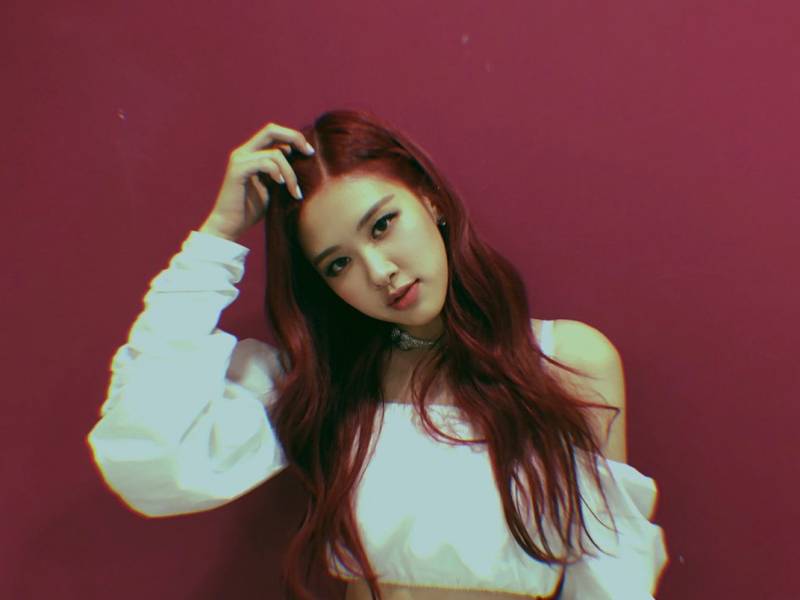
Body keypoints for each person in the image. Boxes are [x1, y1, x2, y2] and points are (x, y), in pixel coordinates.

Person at [87, 110, 667, 600]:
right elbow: (147, 460)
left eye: (383, 225)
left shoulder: (567, 362)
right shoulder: (326, 384)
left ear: (430, 200)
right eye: (339, 263)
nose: (379, 271)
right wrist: (218, 238)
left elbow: (612, 576)